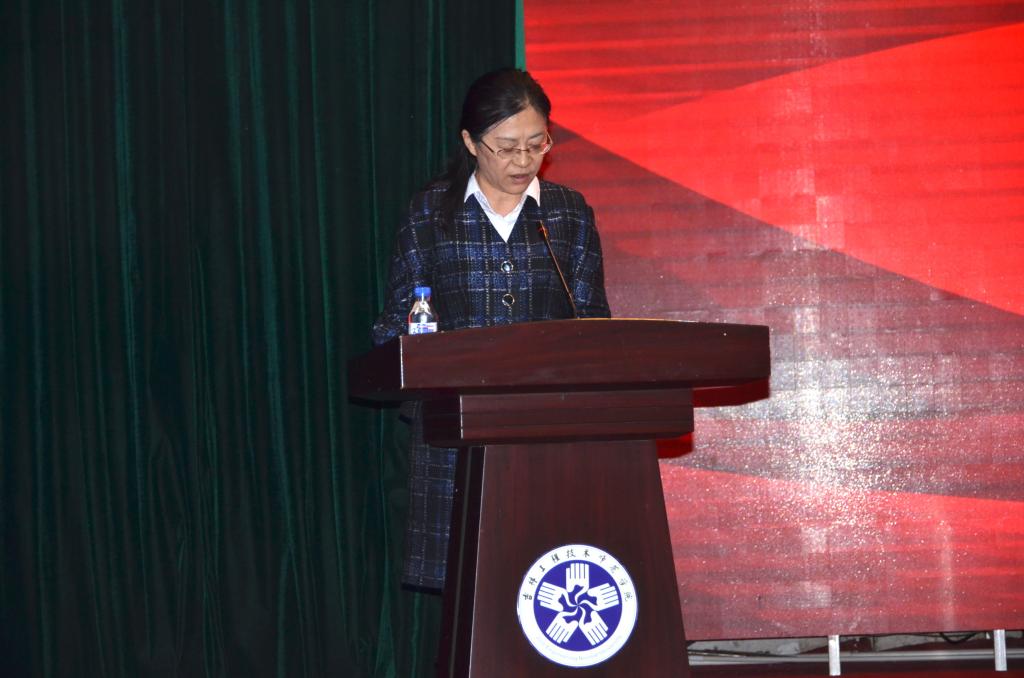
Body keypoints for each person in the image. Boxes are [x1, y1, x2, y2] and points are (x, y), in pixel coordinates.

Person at [372, 68, 611, 591]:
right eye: (506, 148)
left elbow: (595, 325)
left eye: (536, 144)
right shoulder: (430, 213)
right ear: (470, 142)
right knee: (467, 592)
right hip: (453, 437)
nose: (524, 161)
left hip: (548, 436)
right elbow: (393, 325)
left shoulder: (568, 214)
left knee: (548, 583)